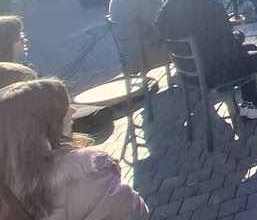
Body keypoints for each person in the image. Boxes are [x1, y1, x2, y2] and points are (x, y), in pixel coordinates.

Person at [0, 78, 149, 220]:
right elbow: (135, 212)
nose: (73, 110)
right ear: (46, 121)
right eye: (64, 107)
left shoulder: (7, 184)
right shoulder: (89, 169)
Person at [107, 0, 170, 73]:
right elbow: (167, 28)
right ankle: (194, 79)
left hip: (129, 54)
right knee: (195, 39)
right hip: (147, 55)